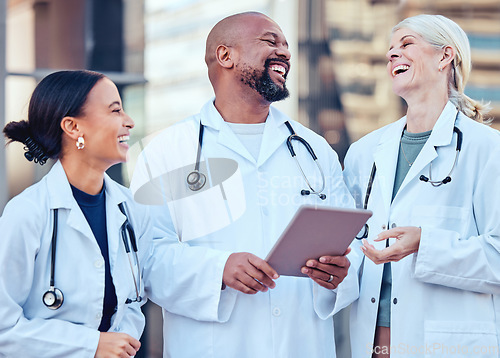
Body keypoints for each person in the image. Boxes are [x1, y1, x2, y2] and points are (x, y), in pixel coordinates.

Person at [130, 11, 354, 358]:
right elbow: (147, 259)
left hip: (302, 344)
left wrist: (339, 272)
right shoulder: (170, 151)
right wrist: (218, 269)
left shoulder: (313, 149)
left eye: (286, 44)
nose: (285, 52)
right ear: (225, 56)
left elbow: (351, 242)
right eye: (270, 41)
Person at [341, 14, 500, 358]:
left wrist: (425, 246)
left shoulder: (487, 151)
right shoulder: (363, 153)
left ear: (445, 57)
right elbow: (353, 245)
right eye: (390, 50)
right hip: (373, 342)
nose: (392, 55)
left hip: (449, 344)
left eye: (406, 44)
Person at [0, 70, 150, 357]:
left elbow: (133, 303)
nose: (129, 121)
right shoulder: (27, 214)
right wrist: (90, 345)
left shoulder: (130, 208)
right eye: (115, 110)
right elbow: (4, 328)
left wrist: (121, 341)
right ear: (72, 127)